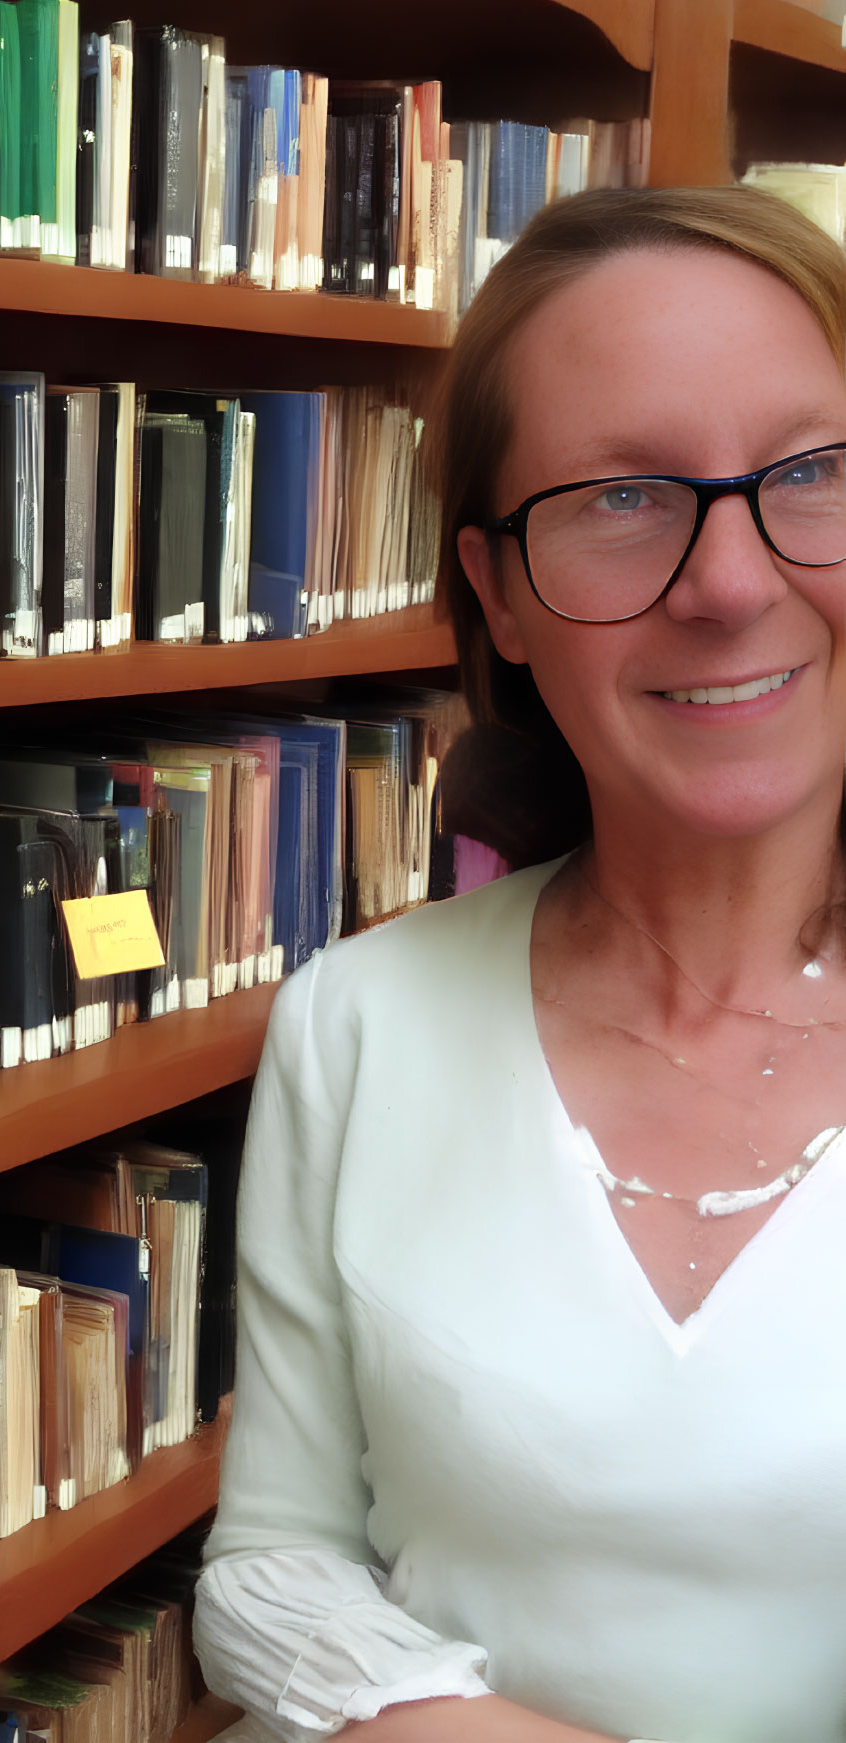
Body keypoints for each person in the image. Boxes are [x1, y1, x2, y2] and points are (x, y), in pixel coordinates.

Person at [192, 185, 846, 1743]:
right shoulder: (357, 1025)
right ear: (495, 592)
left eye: (813, 471)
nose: (732, 582)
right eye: (620, 497)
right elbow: (271, 1568)